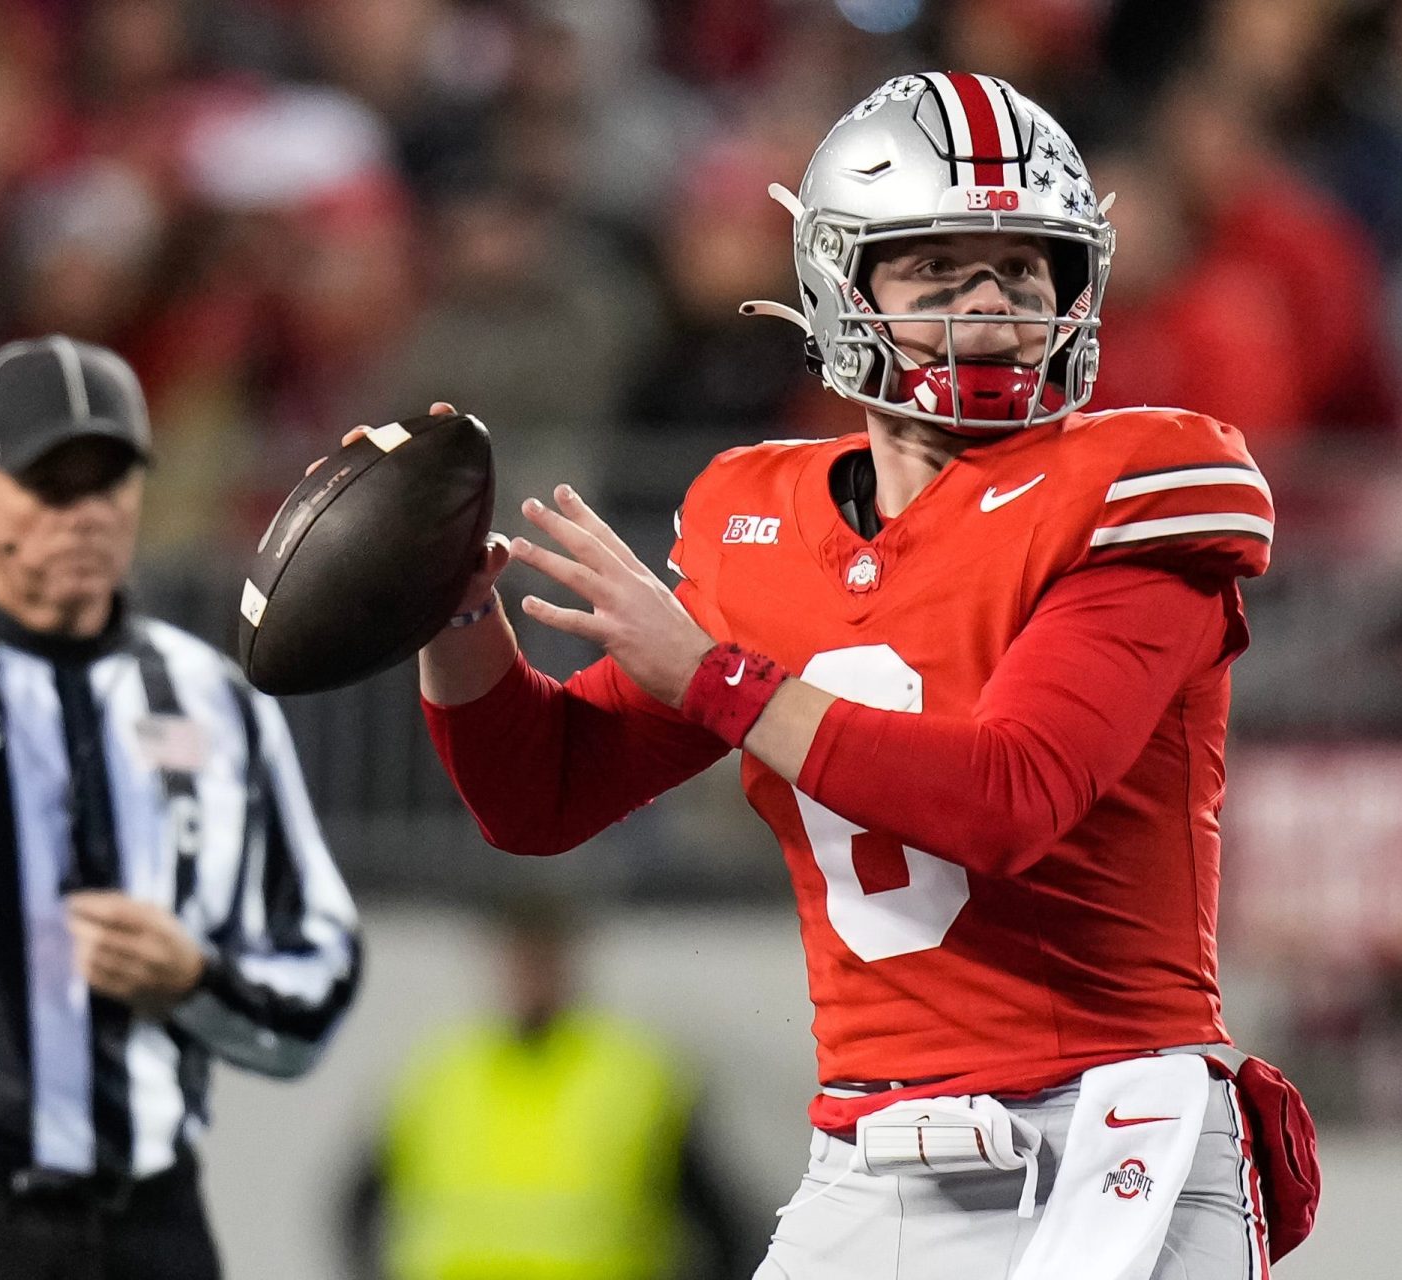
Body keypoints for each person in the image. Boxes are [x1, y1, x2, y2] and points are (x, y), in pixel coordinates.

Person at [404, 73, 1317, 1279]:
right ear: (845, 288)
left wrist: (718, 679)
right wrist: (452, 608)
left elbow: (1012, 797)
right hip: (870, 1146)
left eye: (1024, 268)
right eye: (941, 269)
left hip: (1112, 1130)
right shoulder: (759, 519)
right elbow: (543, 795)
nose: (991, 304)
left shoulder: (1137, 484)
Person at [0, 336, 362, 1278]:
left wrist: (197, 982)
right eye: (49, 482)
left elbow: (321, 966)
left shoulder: (211, 698)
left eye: (108, 480)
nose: (85, 514)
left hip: (148, 1220)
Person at [343, 897, 745, 1280]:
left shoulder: (635, 1077)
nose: (531, 978)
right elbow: (358, 1207)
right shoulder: (437, 1076)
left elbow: (720, 1222)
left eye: (542, 962)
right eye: (521, 962)